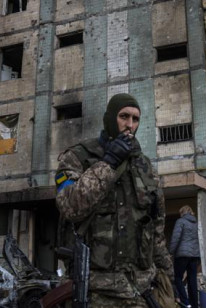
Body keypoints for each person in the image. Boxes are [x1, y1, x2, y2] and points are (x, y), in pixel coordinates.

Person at [55, 93, 173, 307]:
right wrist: (109, 163)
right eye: (123, 116)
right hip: (95, 292)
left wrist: (169, 274)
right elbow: (70, 207)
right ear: (110, 118)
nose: (129, 125)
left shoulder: (145, 167)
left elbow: (156, 229)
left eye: (135, 119)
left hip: (141, 292)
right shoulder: (78, 157)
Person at [168, 205, 200, 308]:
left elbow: (175, 238)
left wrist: (171, 252)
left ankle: (186, 303)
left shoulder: (180, 221)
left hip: (182, 255)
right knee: (192, 280)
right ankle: (194, 305)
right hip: (194, 255)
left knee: (178, 278)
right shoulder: (195, 223)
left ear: (182, 212)